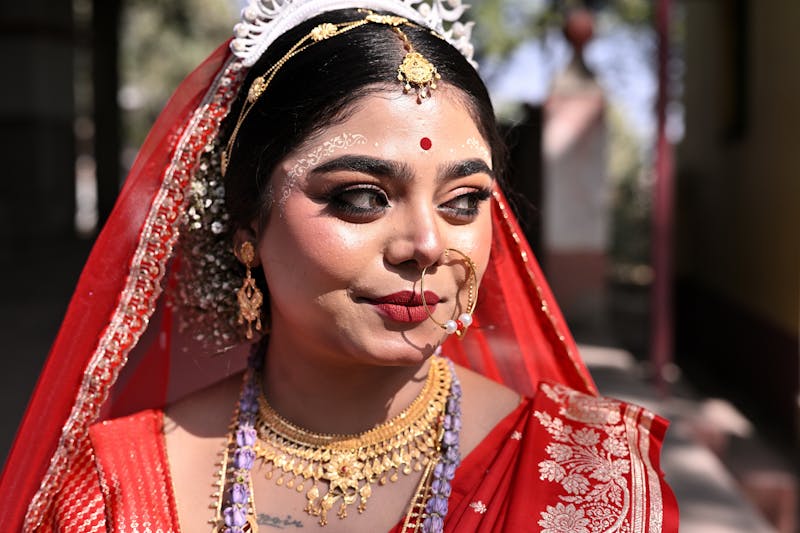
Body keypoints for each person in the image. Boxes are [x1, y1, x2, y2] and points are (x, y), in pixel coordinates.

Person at [1, 1, 678, 531]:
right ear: (248, 230)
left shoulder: (588, 478)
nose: (427, 243)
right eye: (361, 197)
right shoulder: (118, 491)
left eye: (464, 200)